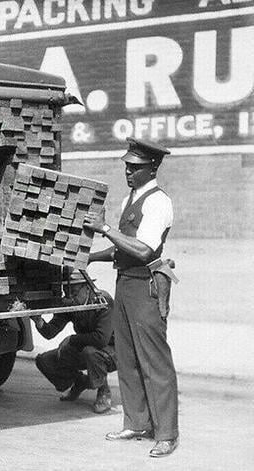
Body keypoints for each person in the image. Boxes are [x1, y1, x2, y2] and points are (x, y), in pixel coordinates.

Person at [84, 138, 179, 458]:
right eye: (127, 165)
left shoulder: (158, 202)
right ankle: (137, 422)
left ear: (152, 168)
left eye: (135, 167)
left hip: (146, 287)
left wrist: (106, 227)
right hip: (125, 283)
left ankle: (166, 433)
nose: (128, 171)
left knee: (155, 361)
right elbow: (122, 247)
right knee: (127, 358)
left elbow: (143, 249)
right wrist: (91, 257)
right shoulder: (130, 199)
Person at [32, 269, 116, 414]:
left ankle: (103, 390)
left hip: (113, 351)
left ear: (87, 288)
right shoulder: (72, 304)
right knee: (45, 360)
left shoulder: (103, 300)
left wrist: (72, 339)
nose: (71, 297)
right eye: (67, 293)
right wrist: (39, 321)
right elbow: (50, 332)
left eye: (75, 293)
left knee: (90, 352)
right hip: (86, 348)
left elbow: (101, 339)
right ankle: (80, 382)